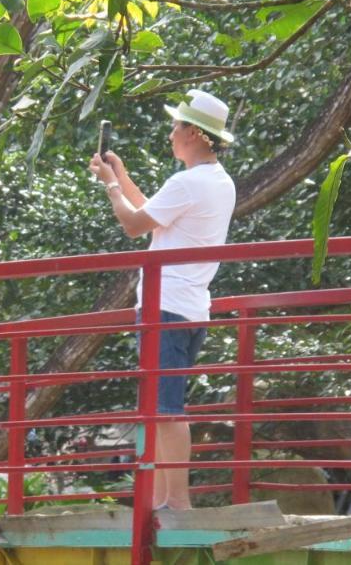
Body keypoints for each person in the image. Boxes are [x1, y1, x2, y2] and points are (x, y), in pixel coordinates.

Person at [89, 89, 236, 510]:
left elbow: (135, 225)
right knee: (160, 408)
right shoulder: (216, 181)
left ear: (194, 133)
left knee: (167, 410)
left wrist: (111, 183)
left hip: (166, 307)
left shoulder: (189, 182)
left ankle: (179, 505)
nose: (171, 133)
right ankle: (158, 501)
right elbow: (155, 213)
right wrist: (123, 177)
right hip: (189, 306)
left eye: (176, 126)